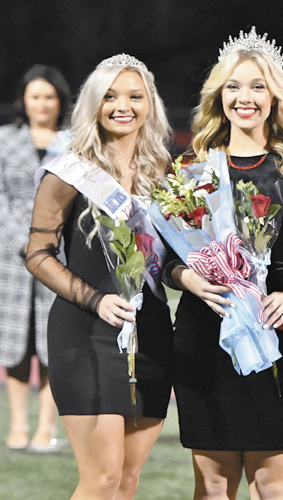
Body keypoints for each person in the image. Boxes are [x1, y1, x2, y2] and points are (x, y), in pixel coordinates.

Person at [163, 27, 283, 500]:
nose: (245, 98)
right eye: (234, 86)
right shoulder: (192, 168)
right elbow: (165, 258)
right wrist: (189, 279)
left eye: (258, 86)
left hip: (280, 333)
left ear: (275, 96)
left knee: (273, 487)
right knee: (213, 486)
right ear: (219, 95)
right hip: (205, 329)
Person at [26, 54, 173, 500]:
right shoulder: (69, 172)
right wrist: (95, 300)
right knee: (101, 480)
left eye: (134, 96)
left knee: (128, 480)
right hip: (86, 331)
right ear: (93, 103)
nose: (122, 105)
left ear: (150, 104)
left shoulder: (163, 173)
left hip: (150, 332)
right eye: (109, 96)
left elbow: (167, 260)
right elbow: (37, 254)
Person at [0, 65, 72, 451]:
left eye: (49, 96)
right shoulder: (3, 141)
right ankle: (17, 427)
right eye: (34, 96)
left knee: (51, 342)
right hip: (11, 259)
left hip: (59, 258)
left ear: (60, 101)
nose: (42, 104)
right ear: (23, 101)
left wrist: (52, 242)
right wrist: (23, 240)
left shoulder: (73, 143)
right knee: (13, 345)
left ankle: (46, 428)